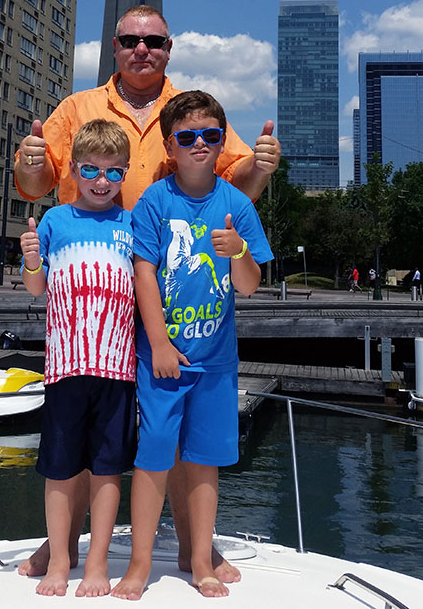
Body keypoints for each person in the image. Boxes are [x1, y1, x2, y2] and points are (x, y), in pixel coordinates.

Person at [15, 4, 281, 583]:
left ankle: (196, 548)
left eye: (154, 41)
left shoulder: (190, 109)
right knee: (89, 422)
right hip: (99, 291)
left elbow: (234, 186)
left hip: (174, 290)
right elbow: (37, 186)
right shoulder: (76, 108)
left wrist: (260, 169)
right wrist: (32, 162)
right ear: (114, 46)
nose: (143, 50)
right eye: (132, 40)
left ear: (169, 48)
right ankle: (61, 548)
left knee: (180, 430)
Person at [112, 90, 273, 600]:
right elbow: (143, 275)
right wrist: (157, 342)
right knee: (153, 458)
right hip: (162, 360)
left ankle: (199, 559)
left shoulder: (236, 204)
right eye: (187, 137)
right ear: (170, 144)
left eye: (210, 136)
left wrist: (240, 250)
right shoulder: (155, 202)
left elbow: (248, 284)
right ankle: (139, 564)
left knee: (204, 461)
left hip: (217, 362)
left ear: (222, 141)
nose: (199, 144)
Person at [20, 119, 136, 598]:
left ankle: (97, 561)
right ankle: (60, 559)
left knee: (108, 470)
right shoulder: (54, 221)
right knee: (60, 470)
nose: (102, 180)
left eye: (113, 171)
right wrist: (30, 259)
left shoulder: (134, 222)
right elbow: (37, 287)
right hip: (64, 366)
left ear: (126, 172)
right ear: (73, 169)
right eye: (91, 169)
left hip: (118, 369)